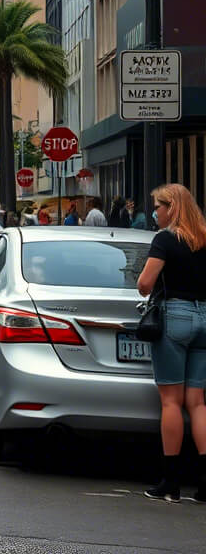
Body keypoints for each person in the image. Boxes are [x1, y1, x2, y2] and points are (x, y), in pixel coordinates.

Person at [136, 184, 206, 502]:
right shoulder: (204, 237)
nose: (155, 213)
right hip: (205, 318)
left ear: (172, 208)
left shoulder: (165, 239)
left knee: (171, 402)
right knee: (198, 402)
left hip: (175, 317)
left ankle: (171, 482)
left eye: (158, 208)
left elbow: (144, 284)